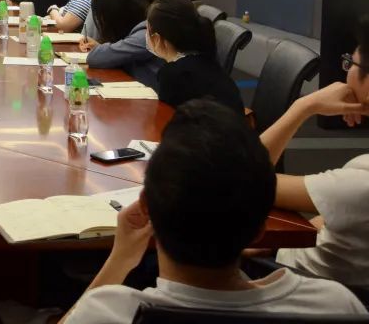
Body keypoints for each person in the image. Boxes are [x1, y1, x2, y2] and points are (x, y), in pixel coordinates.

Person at [58, 99, 365, 323]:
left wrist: (121, 258)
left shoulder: (111, 311)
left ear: (147, 208)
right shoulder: (335, 305)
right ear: (260, 230)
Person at [261, 15, 369, 286]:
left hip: (291, 280)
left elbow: (242, 178)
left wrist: (304, 107)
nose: (345, 71)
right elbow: (342, 216)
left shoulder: (360, 181)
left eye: (351, 63)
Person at [146, 0, 242, 113]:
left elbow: (166, 118)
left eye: (147, 30)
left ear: (157, 38)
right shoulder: (206, 59)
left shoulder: (172, 74)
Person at [82, 0, 161, 88]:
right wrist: (101, 47)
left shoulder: (146, 35)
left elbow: (94, 58)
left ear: (115, 16)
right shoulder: (144, 29)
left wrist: (104, 48)